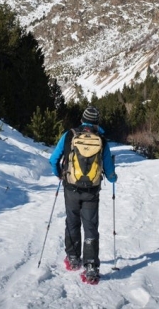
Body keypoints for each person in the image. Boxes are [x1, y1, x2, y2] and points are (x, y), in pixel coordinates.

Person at [49, 106, 117, 283]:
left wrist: (59, 173)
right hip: (92, 191)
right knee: (90, 226)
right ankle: (91, 267)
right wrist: (113, 177)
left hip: (70, 187)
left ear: (82, 119)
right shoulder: (101, 139)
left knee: (72, 221)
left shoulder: (69, 135)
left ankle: (72, 259)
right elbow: (109, 171)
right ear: (97, 122)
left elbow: (53, 159)